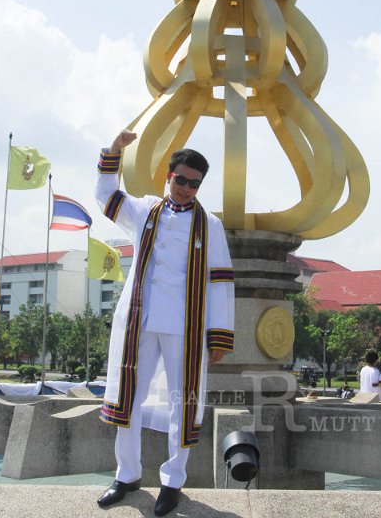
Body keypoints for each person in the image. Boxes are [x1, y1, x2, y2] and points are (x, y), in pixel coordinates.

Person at [96, 130, 234, 516]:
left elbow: (220, 282)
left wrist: (219, 336)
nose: (187, 188)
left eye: (195, 183)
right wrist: (114, 151)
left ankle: (173, 481)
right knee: (130, 399)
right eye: (182, 180)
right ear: (168, 177)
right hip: (139, 320)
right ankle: (127, 476)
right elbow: (106, 196)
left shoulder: (212, 226)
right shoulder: (144, 211)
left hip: (186, 327)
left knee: (183, 403)